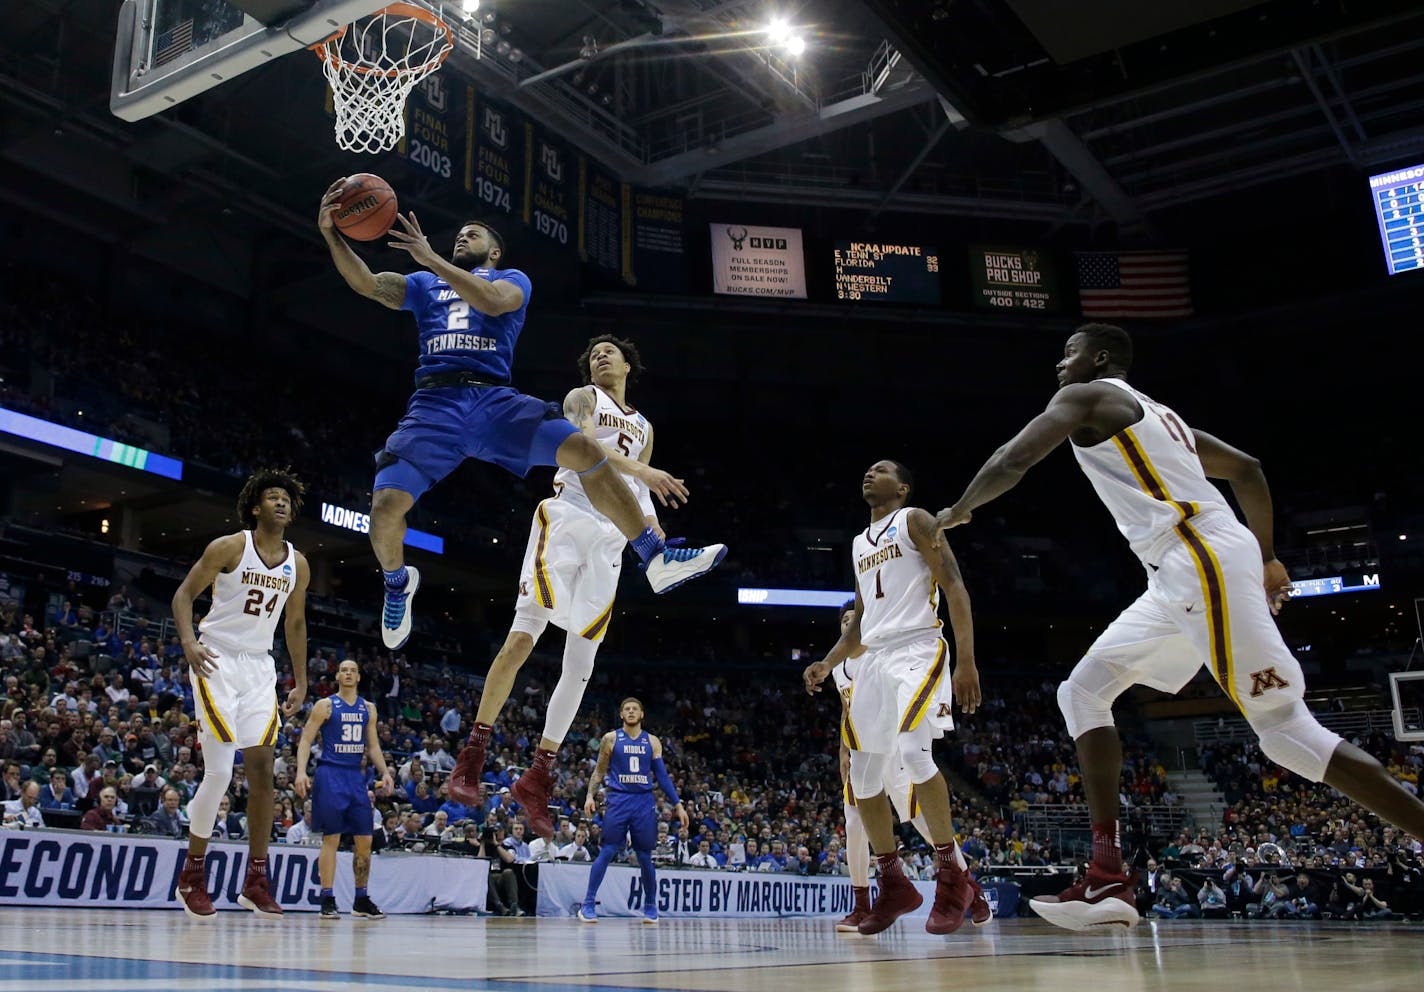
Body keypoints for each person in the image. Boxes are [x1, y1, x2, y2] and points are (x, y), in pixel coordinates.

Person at [932, 322, 1424, 931]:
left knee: (1286, 733)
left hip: (1197, 555)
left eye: (1070, 352)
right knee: (1082, 691)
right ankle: (1109, 876)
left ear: (1103, 358)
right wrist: (1267, 556)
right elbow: (1247, 469)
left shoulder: (1089, 397)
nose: (1060, 365)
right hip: (1177, 571)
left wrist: (959, 509)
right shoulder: (1163, 419)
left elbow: (1015, 457)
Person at [317, 190, 725, 650]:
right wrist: (333, 236)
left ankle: (655, 557)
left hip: (494, 402)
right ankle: (396, 583)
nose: (462, 236)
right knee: (384, 508)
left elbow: (491, 302)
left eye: (473, 233)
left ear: (492, 251)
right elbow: (368, 283)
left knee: (587, 451)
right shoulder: (423, 284)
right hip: (435, 406)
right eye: (458, 234)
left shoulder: (512, 278)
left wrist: (430, 257)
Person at [448, 333, 717, 821]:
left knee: (583, 664)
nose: (599, 355)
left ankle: (538, 775)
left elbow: (634, 488)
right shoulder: (582, 398)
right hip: (567, 517)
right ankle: (473, 755)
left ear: (628, 365)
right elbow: (587, 449)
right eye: (593, 352)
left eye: (609, 351)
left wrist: (654, 525)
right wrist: (645, 473)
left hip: (611, 538)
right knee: (521, 641)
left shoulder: (645, 426)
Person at [803, 461, 982, 937]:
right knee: (862, 779)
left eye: (879, 470)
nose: (867, 473)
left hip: (918, 648)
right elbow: (862, 619)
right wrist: (828, 660)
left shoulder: (916, 520)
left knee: (911, 752)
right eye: (865, 469)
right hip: (876, 659)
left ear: (901, 487)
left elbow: (955, 586)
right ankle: (895, 882)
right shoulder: (860, 543)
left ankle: (951, 878)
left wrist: (966, 662)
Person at [171, 468, 310, 921]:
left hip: (258, 667)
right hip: (216, 658)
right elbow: (184, 595)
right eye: (272, 497)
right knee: (219, 770)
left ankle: (255, 880)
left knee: (264, 770)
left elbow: (294, 624)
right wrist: (190, 643)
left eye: (286, 498)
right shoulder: (230, 546)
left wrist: (301, 679)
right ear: (256, 507)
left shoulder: (298, 563)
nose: (281, 502)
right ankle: (192, 874)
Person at [825, 599, 988, 933]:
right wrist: (844, 749)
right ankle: (860, 906)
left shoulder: (882, 655)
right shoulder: (840, 666)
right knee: (854, 823)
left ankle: (970, 887)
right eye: (844, 619)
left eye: (855, 618)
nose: (848, 624)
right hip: (863, 746)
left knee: (923, 823)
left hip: (895, 751)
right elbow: (848, 710)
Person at [296, 658, 393, 921]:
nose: (348, 674)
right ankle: (327, 898)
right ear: (337, 676)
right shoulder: (325, 705)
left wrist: (384, 772)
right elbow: (306, 739)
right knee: (332, 838)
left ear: (359, 677)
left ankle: (361, 898)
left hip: (355, 777)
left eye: (353, 670)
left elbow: (373, 747)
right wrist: (301, 772)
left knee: (365, 840)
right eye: (343, 670)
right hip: (330, 775)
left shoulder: (368, 709)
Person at [577, 698, 689, 924]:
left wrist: (677, 804)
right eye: (626, 709)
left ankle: (650, 906)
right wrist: (590, 795)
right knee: (608, 850)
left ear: (642, 714)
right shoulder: (610, 738)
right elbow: (599, 771)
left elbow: (663, 777)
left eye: (634, 709)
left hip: (643, 802)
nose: (630, 712)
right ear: (621, 715)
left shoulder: (652, 741)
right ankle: (587, 904)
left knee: (645, 856)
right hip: (618, 799)